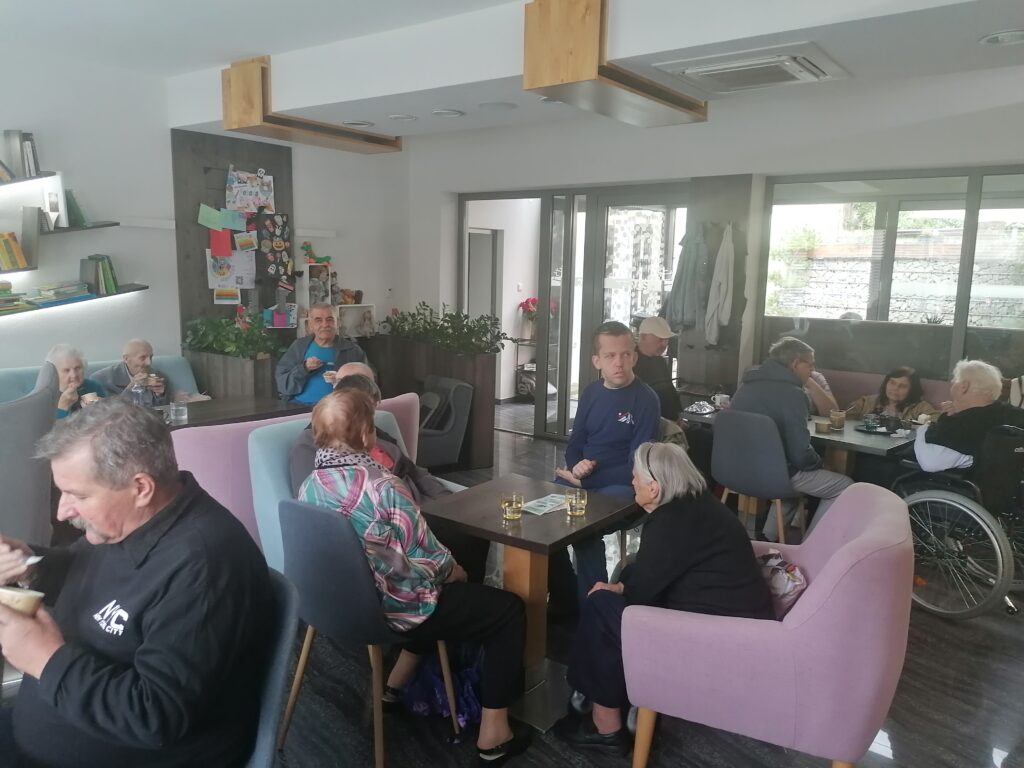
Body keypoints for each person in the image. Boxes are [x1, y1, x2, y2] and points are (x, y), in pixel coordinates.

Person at [0, 399, 273, 768]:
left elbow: (156, 716)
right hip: (44, 729)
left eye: (78, 495)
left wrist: (45, 660)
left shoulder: (204, 567)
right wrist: (29, 564)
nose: (62, 512)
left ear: (141, 488)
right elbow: (79, 568)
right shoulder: (128, 523)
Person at [297, 389, 530, 764]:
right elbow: (426, 559)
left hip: (335, 607)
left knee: (438, 590)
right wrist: (453, 570)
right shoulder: (383, 486)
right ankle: (494, 735)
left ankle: (395, 685)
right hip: (393, 608)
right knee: (508, 610)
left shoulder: (310, 485)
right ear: (365, 435)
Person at [553, 442, 774, 753]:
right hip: (735, 623)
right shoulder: (697, 505)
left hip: (718, 639)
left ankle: (605, 726)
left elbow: (642, 592)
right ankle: (609, 693)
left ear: (654, 488)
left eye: (636, 477)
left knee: (600, 606)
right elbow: (655, 572)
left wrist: (617, 589)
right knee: (617, 585)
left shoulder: (670, 521)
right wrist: (622, 586)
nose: (632, 482)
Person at [290, 362, 490, 582]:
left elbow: (414, 471)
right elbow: (321, 506)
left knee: (474, 531)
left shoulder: (379, 434)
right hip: (390, 525)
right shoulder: (312, 445)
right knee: (464, 541)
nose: (370, 413)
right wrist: (449, 571)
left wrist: (448, 503)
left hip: (415, 510)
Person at [552, 321, 660, 607]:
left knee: (584, 527)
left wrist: (585, 480)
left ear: (635, 357)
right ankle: (565, 599)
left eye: (625, 354)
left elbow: (639, 467)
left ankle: (595, 607)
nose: (619, 363)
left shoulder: (646, 399)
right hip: (583, 480)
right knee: (547, 521)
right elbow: (575, 444)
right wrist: (576, 466)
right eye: (610, 356)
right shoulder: (591, 393)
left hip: (625, 486)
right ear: (597, 361)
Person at [730, 337, 853, 541]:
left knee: (791, 490)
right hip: (773, 473)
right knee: (844, 486)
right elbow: (800, 454)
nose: (812, 371)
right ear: (795, 364)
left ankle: (767, 540)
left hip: (734, 469)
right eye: (810, 365)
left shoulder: (746, 386)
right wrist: (820, 463)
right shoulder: (793, 394)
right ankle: (812, 544)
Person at [915, 359, 1024, 472]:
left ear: (964, 386)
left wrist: (923, 429)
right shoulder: (1017, 414)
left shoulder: (958, 426)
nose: (952, 385)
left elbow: (931, 462)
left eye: (954, 381)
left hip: (970, 482)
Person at [275, 303, 367, 405]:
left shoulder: (352, 350)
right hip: (299, 407)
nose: (325, 324)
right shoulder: (299, 346)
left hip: (338, 408)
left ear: (338, 322)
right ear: (310, 325)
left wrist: (341, 380)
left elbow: (368, 384)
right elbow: (283, 384)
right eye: (318, 320)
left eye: (330, 319)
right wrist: (304, 368)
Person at [92, 338, 169, 407]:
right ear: (126, 359)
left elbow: (164, 411)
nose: (149, 363)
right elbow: (108, 411)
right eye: (143, 358)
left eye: (151, 357)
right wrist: (131, 387)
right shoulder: (101, 379)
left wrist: (160, 395)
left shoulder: (158, 375)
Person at [845, 366, 937, 422]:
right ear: (886, 383)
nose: (895, 388)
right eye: (892, 383)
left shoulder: (921, 407)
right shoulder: (865, 402)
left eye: (902, 386)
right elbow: (845, 419)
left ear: (912, 390)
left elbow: (935, 422)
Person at [633, 316, 681, 421]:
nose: (665, 344)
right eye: (660, 339)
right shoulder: (630, 363)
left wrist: (678, 418)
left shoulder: (660, 361)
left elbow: (669, 391)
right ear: (643, 337)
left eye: (666, 339)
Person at [46, 344, 105, 419]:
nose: (74, 375)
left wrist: (103, 407)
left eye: (77, 368)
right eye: (66, 370)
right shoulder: (44, 396)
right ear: (54, 373)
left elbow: (110, 419)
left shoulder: (92, 387)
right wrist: (62, 408)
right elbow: (46, 426)